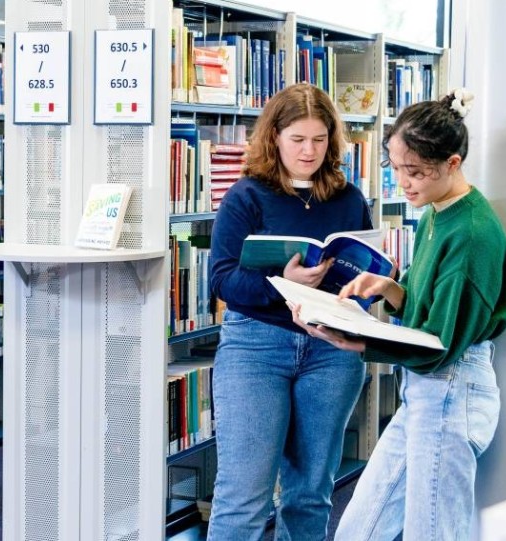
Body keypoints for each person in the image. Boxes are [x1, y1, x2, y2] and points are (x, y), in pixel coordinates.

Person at [298, 89, 506, 540]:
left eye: (416, 172)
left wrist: (363, 341)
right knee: (357, 531)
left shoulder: (472, 234)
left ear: (452, 164)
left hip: (451, 388)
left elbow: (439, 344)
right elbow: (430, 307)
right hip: (424, 391)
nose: (405, 183)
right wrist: (393, 289)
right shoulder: (437, 210)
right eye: (396, 169)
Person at [205, 83, 375, 541]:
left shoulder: (349, 198)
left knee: (310, 492)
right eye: (298, 139)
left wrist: (370, 283)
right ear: (274, 137)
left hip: (330, 350)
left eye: (319, 140)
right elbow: (220, 281)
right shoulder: (246, 196)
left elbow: (358, 274)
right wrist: (283, 284)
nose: (309, 151)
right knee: (244, 493)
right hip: (256, 348)